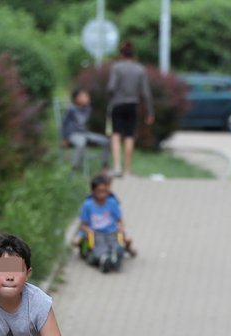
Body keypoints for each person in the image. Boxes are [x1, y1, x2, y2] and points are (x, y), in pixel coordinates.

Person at [107, 41, 154, 178]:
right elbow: (146, 92)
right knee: (129, 136)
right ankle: (127, 171)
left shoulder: (116, 68)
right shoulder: (140, 69)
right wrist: (150, 111)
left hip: (117, 104)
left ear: (121, 54)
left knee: (115, 135)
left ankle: (117, 167)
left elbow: (111, 87)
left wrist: (111, 97)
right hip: (132, 104)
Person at [76, 174, 132, 271]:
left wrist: (121, 228)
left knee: (115, 246)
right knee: (99, 248)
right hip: (96, 233)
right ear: (93, 191)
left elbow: (119, 219)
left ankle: (112, 258)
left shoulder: (112, 202)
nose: (102, 194)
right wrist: (88, 230)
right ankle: (104, 259)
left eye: (105, 191)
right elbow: (83, 224)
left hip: (111, 232)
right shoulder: (88, 205)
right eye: (99, 191)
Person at [61, 87, 110, 173]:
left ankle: (104, 166)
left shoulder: (88, 109)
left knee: (106, 141)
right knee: (81, 143)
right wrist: (65, 138)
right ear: (77, 98)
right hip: (73, 135)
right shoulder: (71, 110)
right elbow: (64, 124)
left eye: (87, 96)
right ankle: (74, 169)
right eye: (84, 96)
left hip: (84, 134)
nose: (87, 98)